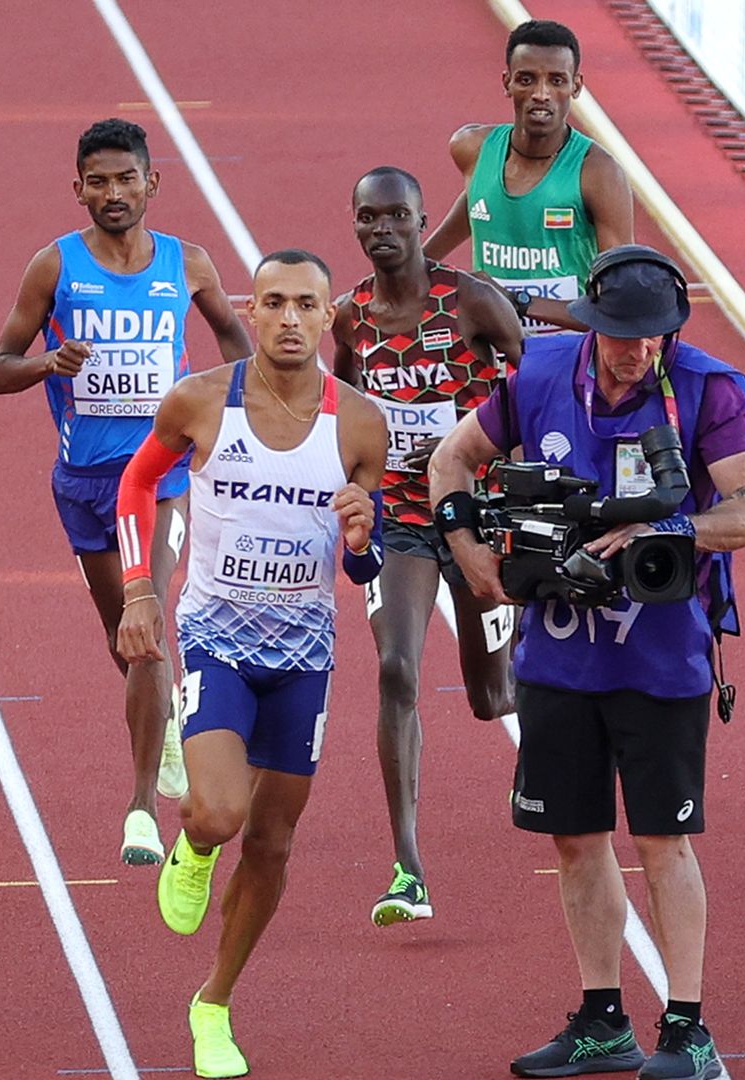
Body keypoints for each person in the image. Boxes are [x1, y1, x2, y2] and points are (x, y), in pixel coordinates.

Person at [429, 245, 745, 1080]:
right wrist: (471, 557)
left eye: (652, 335)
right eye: (621, 336)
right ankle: (601, 1020)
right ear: (591, 324)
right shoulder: (541, 371)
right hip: (555, 657)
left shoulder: (707, 387)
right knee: (576, 839)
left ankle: (688, 1030)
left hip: (663, 660)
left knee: (664, 841)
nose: (636, 351)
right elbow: (448, 462)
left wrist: (667, 530)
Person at [115, 249, 387, 1079]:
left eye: (307, 304)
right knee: (223, 813)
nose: (291, 319)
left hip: (306, 652)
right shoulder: (201, 402)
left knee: (272, 843)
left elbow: (364, 568)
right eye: (274, 303)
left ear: (330, 315)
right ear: (254, 310)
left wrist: (363, 536)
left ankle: (215, 1004)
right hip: (219, 638)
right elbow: (135, 487)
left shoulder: (361, 425)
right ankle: (193, 846)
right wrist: (138, 591)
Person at [0, 118, 253, 865]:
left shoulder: (187, 264)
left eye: (126, 178)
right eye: (98, 181)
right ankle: (168, 727)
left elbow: (238, 348)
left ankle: (142, 807)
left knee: (146, 627)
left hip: (162, 480)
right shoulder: (56, 268)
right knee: (128, 641)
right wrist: (48, 365)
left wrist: (232, 413)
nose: (114, 192)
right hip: (83, 486)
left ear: (152, 183)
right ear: (78, 190)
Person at [330, 165, 524, 926]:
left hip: (476, 513)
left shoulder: (470, 300)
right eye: (368, 218)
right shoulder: (351, 318)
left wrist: (507, 458)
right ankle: (406, 865)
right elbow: (342, 403)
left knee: (491, 698)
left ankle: (539, 700)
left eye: (398, 217)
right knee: (396, 669)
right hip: (401, 519)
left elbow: (533, 377)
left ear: (420, 222)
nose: (383, 230)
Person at [424, 19, 634, 335]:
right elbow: (479, 206)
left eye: (556, 81)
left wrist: (516, 301)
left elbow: (616, 304)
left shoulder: (598, 173)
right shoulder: (472, 150)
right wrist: (404, 271)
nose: (541, 94)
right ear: (507, 82)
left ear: (575, 87)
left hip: (566, 360)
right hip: (493, 356)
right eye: (526, 79)